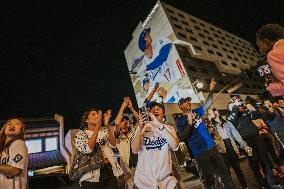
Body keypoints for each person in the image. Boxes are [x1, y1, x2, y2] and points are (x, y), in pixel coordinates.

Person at [175, 79, 235, 189]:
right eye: (185, 102)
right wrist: (189, 123)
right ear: (180, 106)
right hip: (200, 152)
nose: (188, 102)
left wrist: (211, 89)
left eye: (189, 101)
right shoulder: (180, 120)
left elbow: (208, 104)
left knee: (225, 174)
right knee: (210, 181)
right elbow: (182, 137)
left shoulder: (196, 112)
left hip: (212, 147)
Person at [131, 102, 179, 189]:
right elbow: (134, 150)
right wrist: (140, 127)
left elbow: (175, 146)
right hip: (144, 182)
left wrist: (159, 125)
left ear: (163, 114)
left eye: (158, 109)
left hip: (166, 181)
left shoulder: (169, 128)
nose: (155, 111)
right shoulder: (142, 128)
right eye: (152, 110)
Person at [74, 108, 123, 189]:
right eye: (93, 114)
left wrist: (107, 125)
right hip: (91, 175)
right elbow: (88, 149)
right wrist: (97, 126)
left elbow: (113, 144)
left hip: (109, 170)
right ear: (86, 120)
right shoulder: (80, 134)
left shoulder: (104, 132)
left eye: (98, 114)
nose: (97, 116)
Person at [211, 109, 251, 189]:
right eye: (212, 112)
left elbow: (236, 134)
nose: (214, 112)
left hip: (230, 145)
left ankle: (245, 186)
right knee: (226, 172)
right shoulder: (211, 126)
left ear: (218, 112)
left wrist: (244, 145)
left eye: (215, 111)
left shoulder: (227, 123)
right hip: (221, 150)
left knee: (237, 168)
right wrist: (210, 121)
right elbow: (210, 135)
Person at [114, 97, 139, 189]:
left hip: (138, 166)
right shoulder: (117, 136)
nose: (125, 122)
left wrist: (131, 108)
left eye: (126, 121)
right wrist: (122, 107)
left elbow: (140, 120)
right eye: (122, 121)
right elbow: (116, 123)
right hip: (127, 170)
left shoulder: (133, 132)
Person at [256, 23, 284, 97]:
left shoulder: (273, 54)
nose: (260, 51)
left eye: (260, 46)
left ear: (266, 42)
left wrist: (270, 88)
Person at [0, 117, 28, 189]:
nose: (12, 126)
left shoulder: (19, 143)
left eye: (17, 124)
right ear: (4, 129)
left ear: (21, 131)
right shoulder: (3, 149)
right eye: (9, 124)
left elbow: (15, 170)